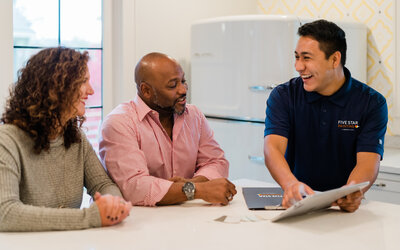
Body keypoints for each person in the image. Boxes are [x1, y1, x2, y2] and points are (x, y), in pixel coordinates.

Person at [0, 47, 132, 232]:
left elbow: (103, 184)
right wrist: (91, 217)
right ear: (56, 88)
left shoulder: (76, 138)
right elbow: (5, 213)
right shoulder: (6, 140)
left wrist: (112, 204)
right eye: (83, 82)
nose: (91, 90)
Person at [263, 20, 388, 212]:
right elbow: (273, 148)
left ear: (334, 59)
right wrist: (290, 185)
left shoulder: (372, 103)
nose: (298, 66)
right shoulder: (283, 96)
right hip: (296, 204)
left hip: (344, 209)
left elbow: (368, 161)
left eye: (307, 58)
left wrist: (352, 191)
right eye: (296, 57)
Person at [99, 52, 237, 206]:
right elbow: (135, 186)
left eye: (183, 81)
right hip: (137, 223)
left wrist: (192, 184)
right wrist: (198, 191)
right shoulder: (119, 123)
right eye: (172, 85)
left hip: (186, 217)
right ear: (146, 91)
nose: (183, 90)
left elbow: (216, 161)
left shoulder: (194, 115)